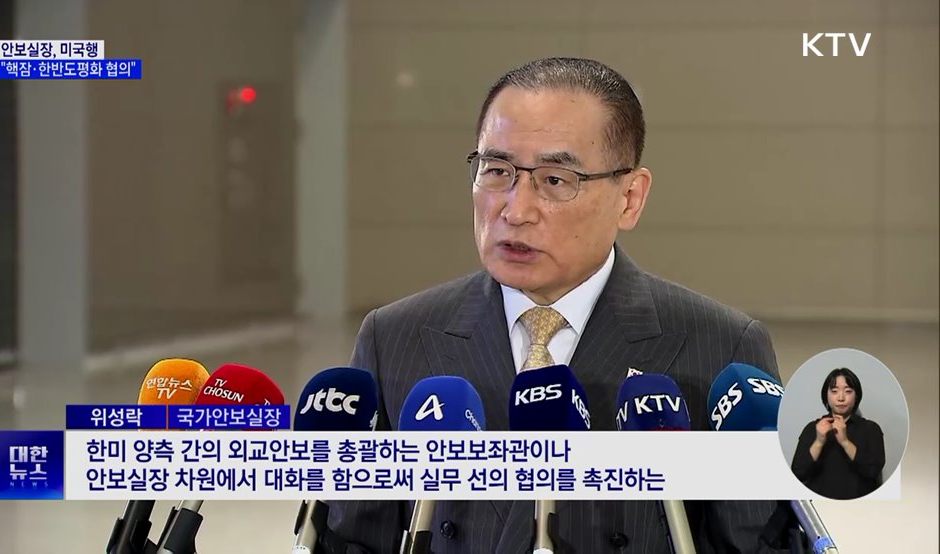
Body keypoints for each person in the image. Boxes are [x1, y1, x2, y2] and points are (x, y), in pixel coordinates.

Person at [326, 57, 788, 553]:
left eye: (554, 180)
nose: (516, 210)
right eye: (496, 170)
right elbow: (350, 542)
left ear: (630, 198)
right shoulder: (395, 339)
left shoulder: (720, 348)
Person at [791, 367, 886, 500]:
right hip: (819, 506)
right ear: (826, 395)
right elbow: (798, 474)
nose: (841, 398)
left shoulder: (871, 429)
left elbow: (873, 471)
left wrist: (845, 442)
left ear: (856, 395)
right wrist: (819, 441)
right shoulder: (812, 428)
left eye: (848, 391)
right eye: (834, 391)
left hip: (859, 506)